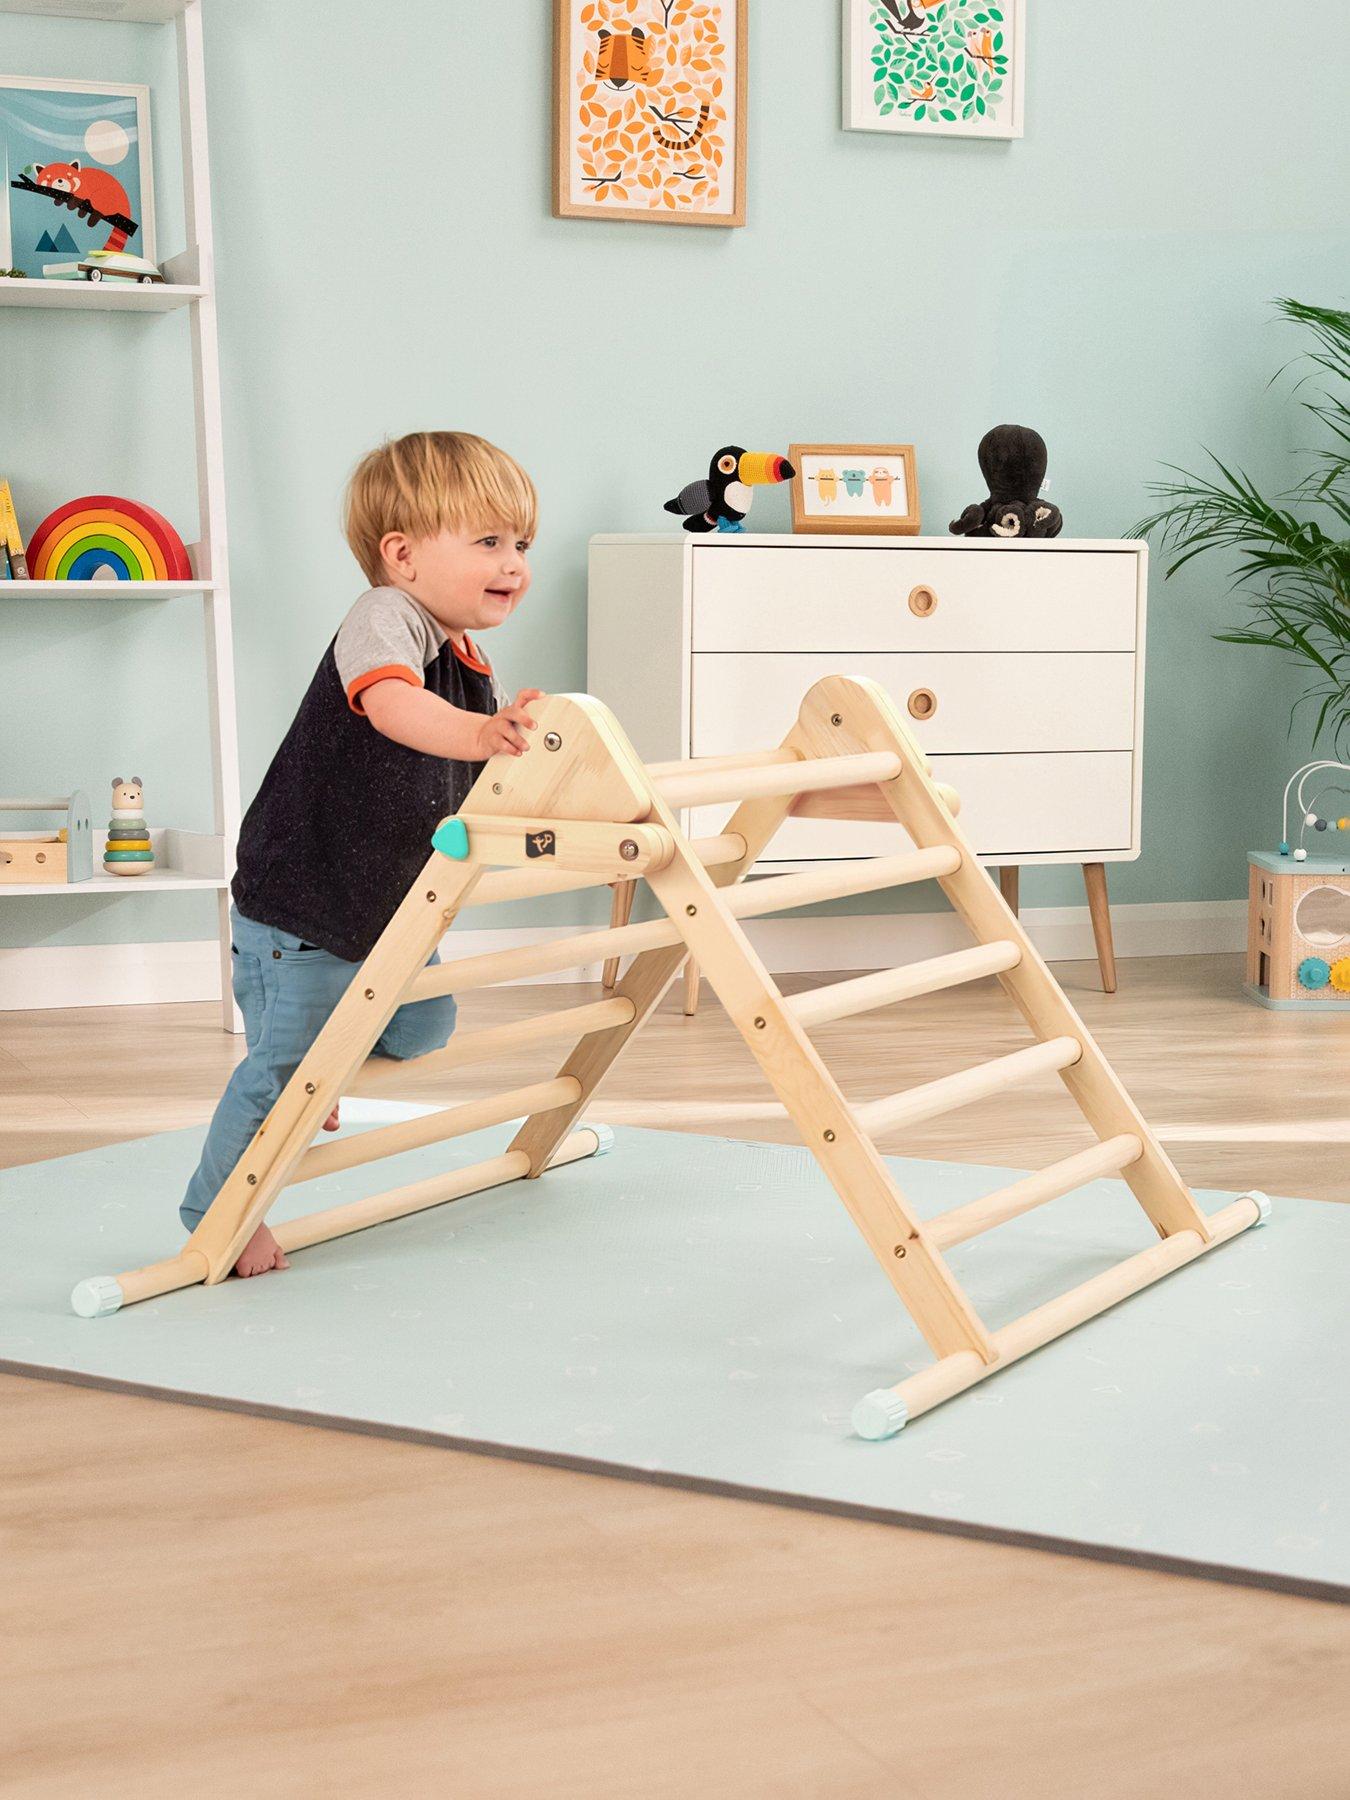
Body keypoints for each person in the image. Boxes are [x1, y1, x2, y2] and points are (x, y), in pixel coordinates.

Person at [179, 430, 543, 1276]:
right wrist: (485, 732)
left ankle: (326, 1072)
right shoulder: (386, 617)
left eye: (521, 543)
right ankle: (217, 1209)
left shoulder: (464, 654)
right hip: (304, 902)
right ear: (402, 555)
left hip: (383, 902)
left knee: (425, 1023)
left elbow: (452, 772)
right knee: (283, 1068)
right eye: (488, 541)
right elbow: (393, 711)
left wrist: (516, 758)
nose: (514, 562)